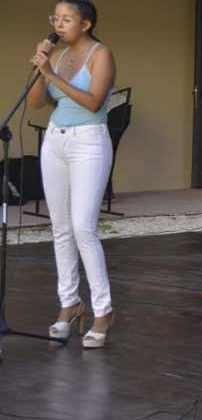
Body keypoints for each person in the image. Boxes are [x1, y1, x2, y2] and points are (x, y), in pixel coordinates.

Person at [28, 0, 116, 349]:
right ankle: (69, 303)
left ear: (86, 24)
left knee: (83, 227)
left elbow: (94, 101)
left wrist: (51, 75)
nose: (59, 24)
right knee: (60, 227)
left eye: (67, 19)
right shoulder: (57, 57)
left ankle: (103, 310)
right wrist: (41, 68)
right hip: (55, 141)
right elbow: (36, 102)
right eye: (56, 18)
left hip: (89, 142)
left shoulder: (101, 53)